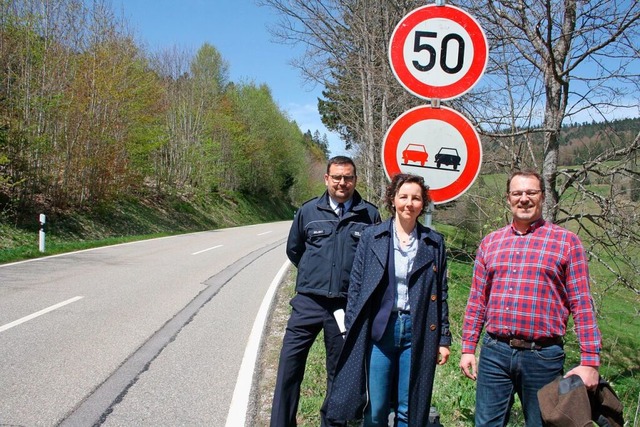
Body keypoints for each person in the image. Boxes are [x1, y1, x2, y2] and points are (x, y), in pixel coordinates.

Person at [459, 169, 602, 427]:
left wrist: (590, 360)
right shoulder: (491, 242)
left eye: (531, 192)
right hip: (495, 353)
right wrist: (468, 346)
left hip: (543, 357)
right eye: (517, 193)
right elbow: (477, 300)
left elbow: (582, 303)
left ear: (543, 197)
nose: (524, 198)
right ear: (508, 198)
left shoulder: (567, 242)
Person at [325, 173, 451, 427]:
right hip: (380, 331)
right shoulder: (373, 236)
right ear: (392, 200)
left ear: (423, 204)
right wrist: (353, 326)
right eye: (403, 196)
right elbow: (356, 287)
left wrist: (444, 339)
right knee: (377, 408)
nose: (409, 203)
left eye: (416, 198)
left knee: (410, 408)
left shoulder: (433, 242)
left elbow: (442, 293)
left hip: (418, 332)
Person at [270, 156, 381, 427]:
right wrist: (313, 276)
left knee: (339, 373)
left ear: (355, 179)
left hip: (345, 306)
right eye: (337, 177)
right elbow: (294, 250)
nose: (342, 183)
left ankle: (331, 423)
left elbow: (374, 259)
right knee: (289, 366)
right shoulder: (308, 212)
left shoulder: (369, 215)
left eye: (348, 177)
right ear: (327, 179)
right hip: (308, 302)